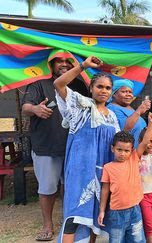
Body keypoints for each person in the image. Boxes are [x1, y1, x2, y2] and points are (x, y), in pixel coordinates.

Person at [21, 57, 88, 241]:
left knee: (71, 186)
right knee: (48, 188)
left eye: (68, 61)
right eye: (59, 61)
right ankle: (48, 226)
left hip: (74, 147)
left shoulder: (80, 86)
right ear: (51, 65)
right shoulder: (39, 84)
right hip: (46, 147)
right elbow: (25, 106)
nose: (64, 64)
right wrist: (35, 109)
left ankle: (69, 222)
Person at [54, 56, 120, 243]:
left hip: (102, 172)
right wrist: (82, 66)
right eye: (99, 86)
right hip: (79, 171)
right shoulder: (80, 107)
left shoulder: (113, 117)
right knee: (75, 214)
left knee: (95, 217)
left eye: (108, 88)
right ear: (91, 88)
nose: (104, 91)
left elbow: (117, 146)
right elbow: (59, 84)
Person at [98, 113, 152, 243]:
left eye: (126, 151)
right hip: (115, 213)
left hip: (135, 210)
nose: (123, 153)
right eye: (119, 149)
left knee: (137, 240)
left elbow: (145, 142)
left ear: (131, 151)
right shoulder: (108, 167)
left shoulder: (134, 159)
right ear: (112, 149)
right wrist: (102, 211)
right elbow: (105, 190)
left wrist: (151, 124)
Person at [107, 79, 151, 148]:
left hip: (138, 152)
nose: (128, 94)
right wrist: (139, 111)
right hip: (125, 153)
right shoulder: (112, 108)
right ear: (114, 94)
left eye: (130, 92)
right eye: (124, 92)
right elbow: (123, 130)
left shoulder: (130, 109)